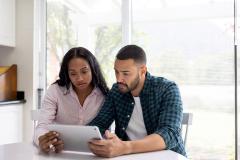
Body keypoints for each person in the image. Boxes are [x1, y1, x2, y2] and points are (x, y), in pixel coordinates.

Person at [88, 45, 186, 157]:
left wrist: (125, 147)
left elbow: (170, 133)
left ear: (143, 70)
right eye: (116, 72)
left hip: (167, 156)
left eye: (126, 73)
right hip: (129, 157)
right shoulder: (116, 91)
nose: (119, 79)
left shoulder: (167, 89)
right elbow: (100, 123)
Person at [34, 47, 109, 153]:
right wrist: (42, 140)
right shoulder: (55, 91)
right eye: (73, 74)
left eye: (84, 71)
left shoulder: (104, 95)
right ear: (67, 74)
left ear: (93, 69)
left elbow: (106, 132)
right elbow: (42, 127)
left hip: (93, 154)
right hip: (60, 153)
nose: (79, 78)